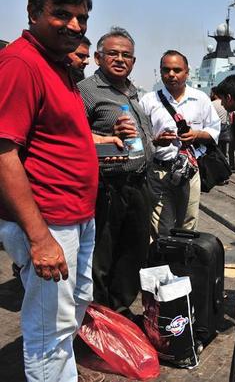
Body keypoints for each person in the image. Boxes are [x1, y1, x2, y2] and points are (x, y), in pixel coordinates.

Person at [0, 0, 116, 382]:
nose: (75, 26)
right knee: (49, 330)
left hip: (75, 217)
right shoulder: (21, 63)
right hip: (48, 221)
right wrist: (39, 237)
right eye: (62, 15)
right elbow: (3, 153)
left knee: (69, 314)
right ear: (33, 14)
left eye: (82, 18)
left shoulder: (58, 65)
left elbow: (60, 135)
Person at [78, 26, 154, 316]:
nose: (120, 59)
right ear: (98, 57)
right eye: (113, 53)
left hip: (138, 185)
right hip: (107, 187)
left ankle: (119, 311)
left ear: (133, 61)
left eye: (126, 55)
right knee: (102, 256)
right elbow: (74, 138)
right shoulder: (86, 92)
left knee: (132, 252)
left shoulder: (132, 90)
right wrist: (107, 136)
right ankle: (96, 316)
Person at [140, 50, 221, 238]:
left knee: (188, 220)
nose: (171, 75)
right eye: (166, 70)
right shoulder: (149, 101)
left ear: (187, 72)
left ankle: (182, 262)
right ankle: (163, 262)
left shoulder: (200, 99)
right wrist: (156, 141)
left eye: (177, 70)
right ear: (160, 72)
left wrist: (197, 134)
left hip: (190, 170)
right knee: (161, 224)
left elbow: (215, 129)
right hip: (160, 170)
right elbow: (140, 136)